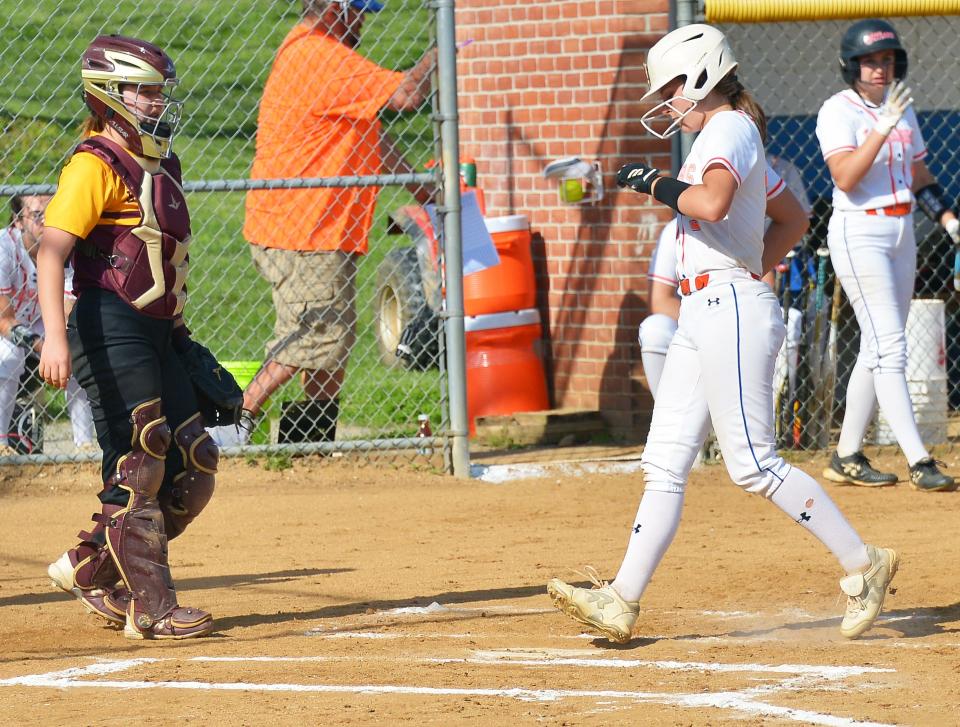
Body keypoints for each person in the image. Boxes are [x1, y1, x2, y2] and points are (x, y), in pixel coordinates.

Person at [547, 24, 897, 644]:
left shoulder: (728, 129)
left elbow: (710, 204)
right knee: (666, 463)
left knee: (754, 465)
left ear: (705, 76)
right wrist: (750, 260)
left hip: (727, 306)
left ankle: (863, 564)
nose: (667, 101)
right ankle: (621, 599)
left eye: (674, 88)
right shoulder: (729, 131)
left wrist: (652, 183)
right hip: (705, 308)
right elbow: (790, 215)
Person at [38, 35, 215, 640]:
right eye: (144, 90)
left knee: (196, 462)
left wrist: (180, 334)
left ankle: (91, 565)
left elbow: (163, 260)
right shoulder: (95, 164)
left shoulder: (162, 162)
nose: (156, 100)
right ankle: (152, 607)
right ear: (110, 96)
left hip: (159, 329)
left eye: (159, 90)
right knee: (142, 456)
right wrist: (54, 340)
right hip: (108, 324)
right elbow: (52, 251)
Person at [209, 0, 435, 447]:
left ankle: (306, 442)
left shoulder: (318, 55)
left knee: (330, 345)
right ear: (335, 7)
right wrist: (447, 47)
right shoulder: (319, 55)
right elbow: (410, 95)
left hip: (319, 229)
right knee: (314, 335)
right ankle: (228, 428)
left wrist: (424, 191)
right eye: (359, 11)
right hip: (303, 229)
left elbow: (372, 135)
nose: (364, 21)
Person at [816, 19, 956, 491]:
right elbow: (846, 178)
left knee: (878, 348)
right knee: (891, 347)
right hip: (861, 232)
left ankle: (847, 455)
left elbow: (918, 174)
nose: (880, 68)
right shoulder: (838, 111)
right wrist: (880, 128)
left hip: (901, 231)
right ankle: (919, 460)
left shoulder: (901, 107)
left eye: (887, 59)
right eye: (870, 61)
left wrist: (948, 219)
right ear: (851, 66)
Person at [640, 162, 810, 398]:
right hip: (691, 322)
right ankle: (667, 408)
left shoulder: (743, 227)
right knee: (654, 328)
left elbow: (765, 288)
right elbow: (659, 301)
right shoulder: (673, 230)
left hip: (738, 321)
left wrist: (724, 321)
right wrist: (705, 320)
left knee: (786, 322)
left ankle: (774, 417)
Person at [0, 195, 95, 453]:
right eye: (37, 214)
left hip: (38, 322)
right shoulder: (4, 249)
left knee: (77, 351)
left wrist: (63, 343)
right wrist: (44, 345)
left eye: (51, 214)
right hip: (7, 328)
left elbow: (66, 312)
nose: (46, 221)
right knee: (10, 355)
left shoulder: (64, 249)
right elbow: (4, 319)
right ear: (18, 222)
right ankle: (1, 445)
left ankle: (84, 444)